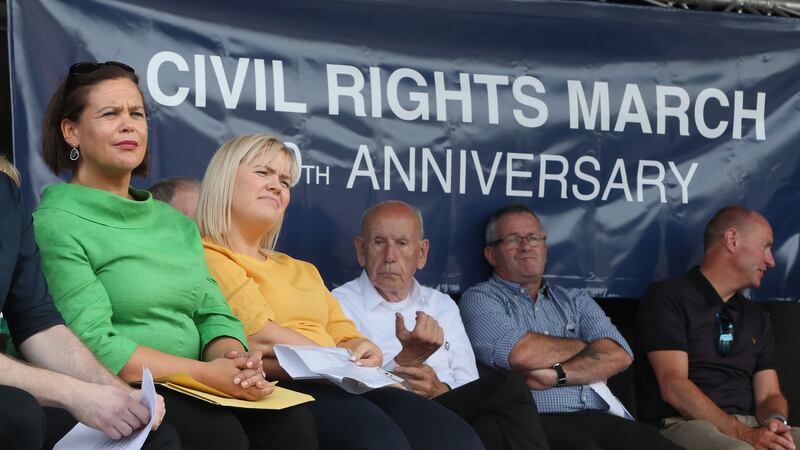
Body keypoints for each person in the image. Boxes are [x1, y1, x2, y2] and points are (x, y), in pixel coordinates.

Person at [34, 61, 317, 450]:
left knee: (293, 422)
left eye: (136, 114)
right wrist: (206, 373)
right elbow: (94, 344)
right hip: (123, 388)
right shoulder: (55, 222)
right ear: (71, 132)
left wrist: (235, 361)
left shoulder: (176, 224)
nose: (128, 124)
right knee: (220, 438)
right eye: (110, 114)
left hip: (202, 383)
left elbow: (213, 313)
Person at [198, 134, 485, 450]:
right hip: (290, 389)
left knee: (458, 439)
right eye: (263, 173)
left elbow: (343, 332)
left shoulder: (301, 268)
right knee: (381, 443)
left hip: (346, 381)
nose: (277, 186)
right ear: (225, 179)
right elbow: (260, 336)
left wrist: (362, 347)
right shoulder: (209, 255)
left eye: (284, 180)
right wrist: (340, 359)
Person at [459, 203, 682, 450]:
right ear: (491, 255)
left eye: (533, 237)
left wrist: (556, 375)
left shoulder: (575, 299)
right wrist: (587, 348)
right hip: (534, 421)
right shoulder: (480, 298)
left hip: (601, 415)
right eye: (512, 239)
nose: (526, 246)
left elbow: (620, 355)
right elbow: (520, 353)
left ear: (544, 248)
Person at [332, 200, 551, 450]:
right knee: (507, 385)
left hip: (446, 405)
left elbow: (468, 381)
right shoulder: (339, 303)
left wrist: (440, 389)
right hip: (388, 415)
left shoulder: (441, 304)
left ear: (422, 253)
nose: (390, 257)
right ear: (361, 250)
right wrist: (405, 362)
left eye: (402, 244)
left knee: (494, 422)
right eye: (379, 242)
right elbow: (346, 388)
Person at [0, 171, 180, 449]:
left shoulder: (6, 194)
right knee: (18, 415)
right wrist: (77, 394)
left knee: (150, 437)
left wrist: (119, 394)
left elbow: (36, 322)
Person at [636, 206, 799, 450]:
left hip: (748, 424)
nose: (771, 260)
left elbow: (768, 395)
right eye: (765, 247)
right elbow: (674, 385)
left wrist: (775, 420)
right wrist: (744, 435)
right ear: (732, 240)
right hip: (684, 424)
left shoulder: (757, 317)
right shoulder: (668, 297)